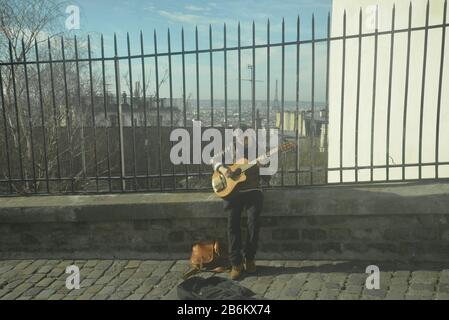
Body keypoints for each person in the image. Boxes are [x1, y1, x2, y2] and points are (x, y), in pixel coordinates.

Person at [212, 127, 269, 280]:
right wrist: (223, 170)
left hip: (253, 191)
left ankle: (249, 259)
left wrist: (263, 163)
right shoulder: (230, 149)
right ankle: (236, 263)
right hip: (233, 193)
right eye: (239, 138)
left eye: (246, 138)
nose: (243, 141)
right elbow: (214, 160)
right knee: (232, 225)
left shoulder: (259, 150)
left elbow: (267, 163)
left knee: (254, 222)